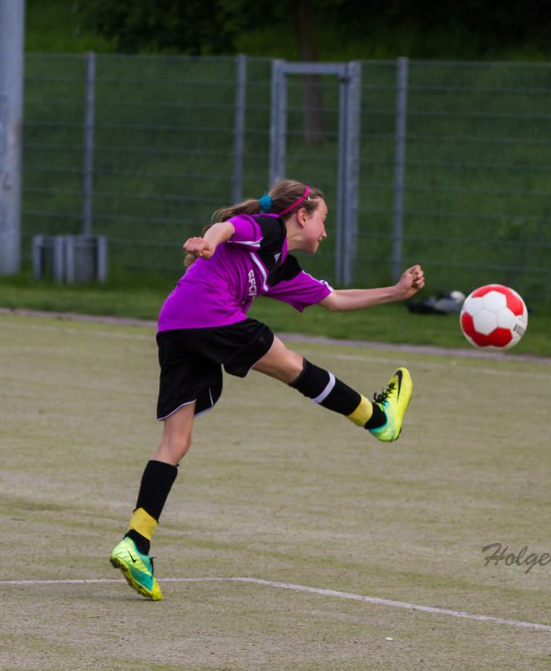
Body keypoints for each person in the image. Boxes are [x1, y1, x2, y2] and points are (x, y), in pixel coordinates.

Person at [108, 180, 426, 601]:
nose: (325, 232)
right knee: (292, 366)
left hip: (176, 324)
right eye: (323, 221)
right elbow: (231, 228)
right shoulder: (270, 228)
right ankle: (379, 419)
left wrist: (397, 292)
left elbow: (334, 300)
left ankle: (136, 543)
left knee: (176, 442)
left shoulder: (278, 266)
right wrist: (208, 242)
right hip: (210, 314)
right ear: (302, 215)